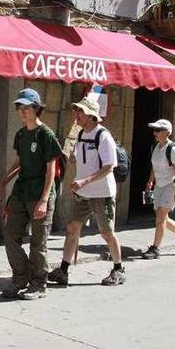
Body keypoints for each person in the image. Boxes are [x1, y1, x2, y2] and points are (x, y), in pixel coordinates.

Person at [48, 96, 125, 287]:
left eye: (80, 111)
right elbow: (80, 156)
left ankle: (118, 269)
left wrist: (85, 181)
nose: (77, 115)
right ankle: (63, 270)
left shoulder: (103, 136)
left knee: (107, 233)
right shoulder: (81, 134)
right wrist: (73, 159)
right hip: (83, 193)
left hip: (101, 193)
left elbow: (109, 167)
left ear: (91, 116)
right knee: (72, 228)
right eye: (76, 111)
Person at [0, 88, 62, 300]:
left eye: (27, 108)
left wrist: (44, 200)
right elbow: (19, 162)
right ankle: (20, 276)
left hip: (40, 193)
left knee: (38, 241)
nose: (23, 112)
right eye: (20, 108)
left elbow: (51, 168)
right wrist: (3, 181)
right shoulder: (21, 134)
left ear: (36, 109)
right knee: (10, 234)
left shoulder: (46, 134)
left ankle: (38, 284)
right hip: (21, 191)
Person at [142, 119, 175, 260]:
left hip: (170, 186)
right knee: (162, 218)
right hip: (159, 186)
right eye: (154, 130)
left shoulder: (173, 149)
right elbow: (154, 166)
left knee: (160, 218)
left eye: (158, 130)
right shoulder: (156, 147)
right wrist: (149, 182)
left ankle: (155, 248)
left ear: (167, 132)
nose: (154, 133)